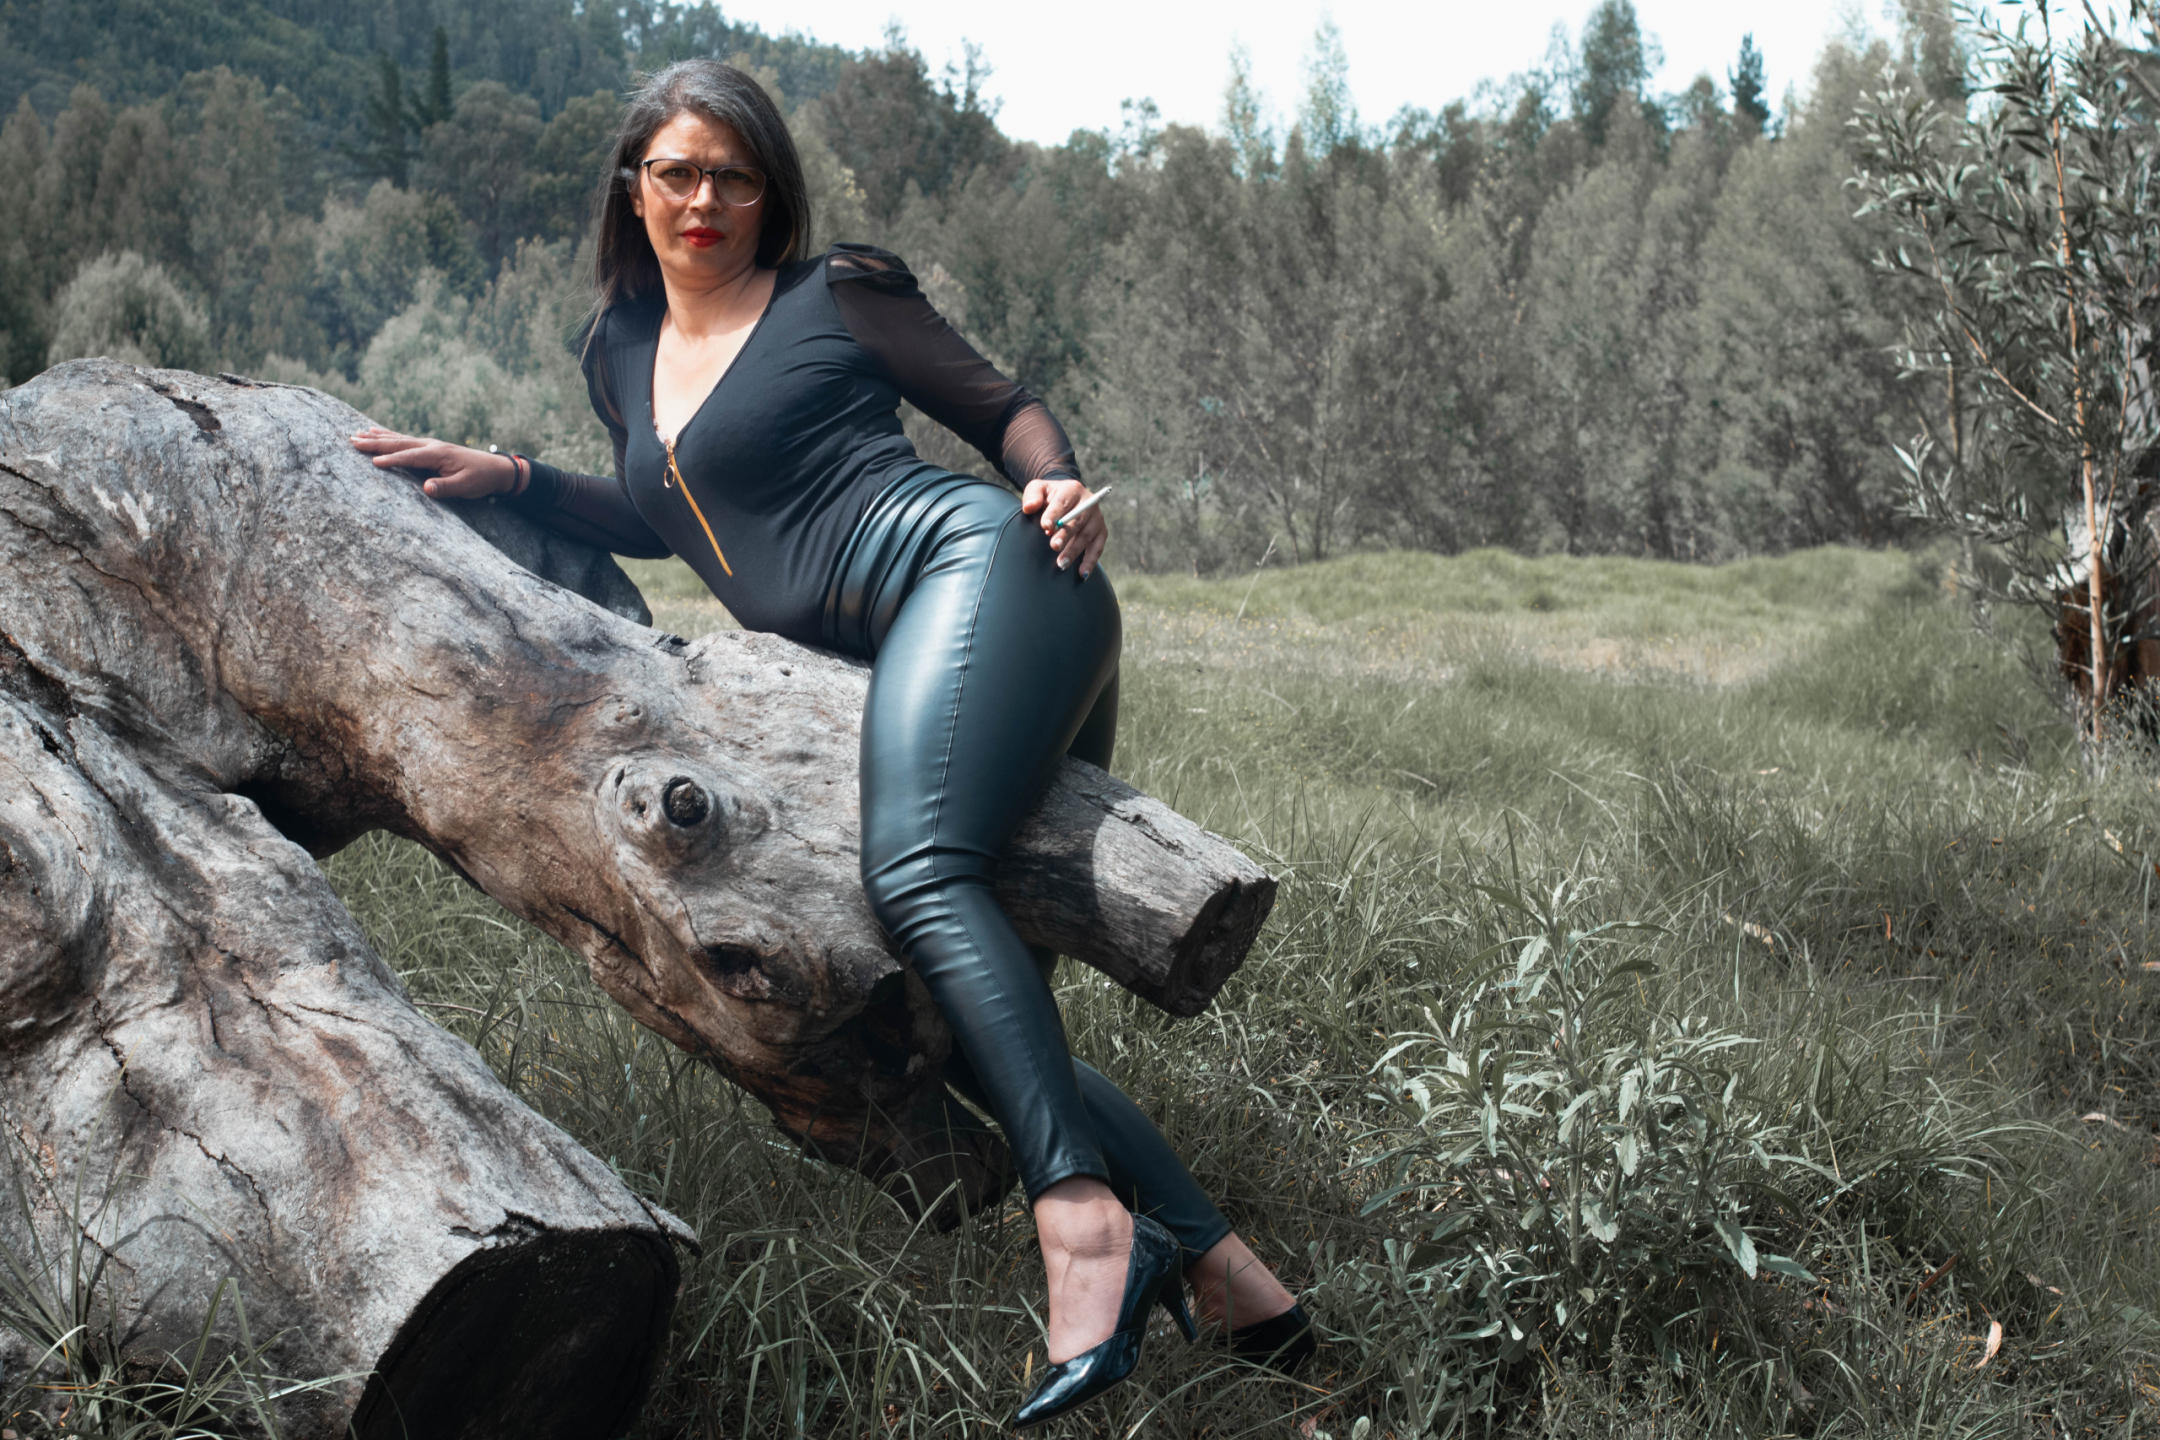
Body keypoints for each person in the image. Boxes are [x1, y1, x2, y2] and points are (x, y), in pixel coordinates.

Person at [348, 58, 1313, 1425]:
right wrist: (509, 475)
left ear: (769, 194)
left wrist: (1053, 478)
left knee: (919, 877)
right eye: (677, 172)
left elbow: (1003, 405)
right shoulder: (618, 349)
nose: (704, 199)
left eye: (733, 176)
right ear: (634, 187)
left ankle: (1082, 1222)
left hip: (986, 575)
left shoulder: (833, 296)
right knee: (955, 1017)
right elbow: (670, 510)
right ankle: (1232, 1279)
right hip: (909, 657)